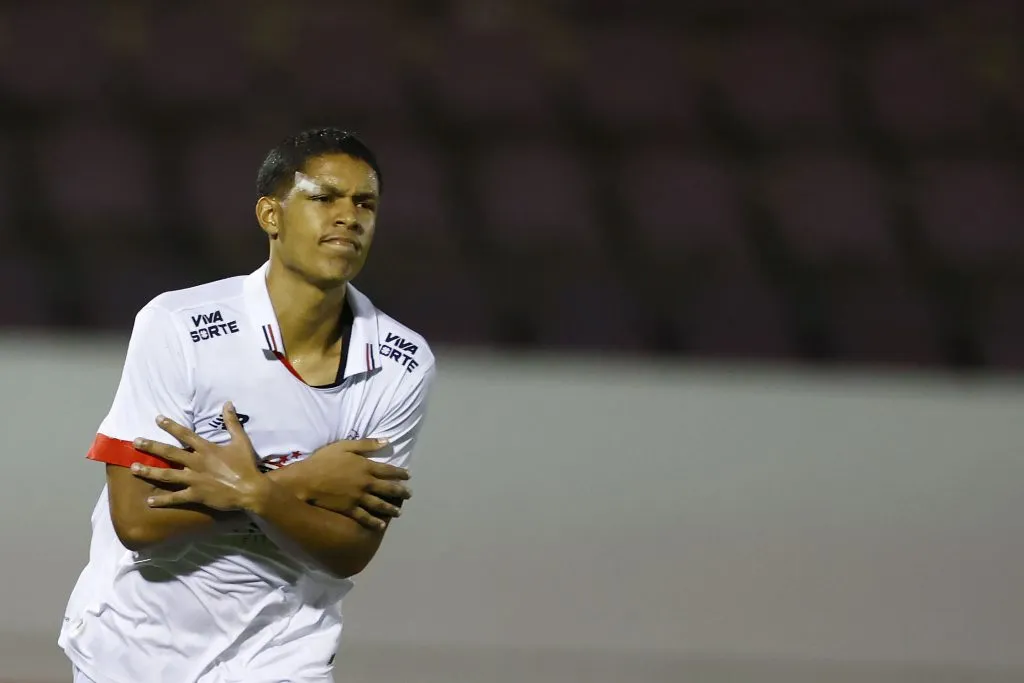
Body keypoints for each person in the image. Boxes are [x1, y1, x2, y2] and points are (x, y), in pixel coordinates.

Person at [58, 127, 437, 683]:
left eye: (365, 203)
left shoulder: (402, 362)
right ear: (270, 215)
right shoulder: (177, 325)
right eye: (323, 197)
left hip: (284, 653)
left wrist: (247, 487)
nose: (348, 217)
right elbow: (136, 519)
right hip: (131, 645)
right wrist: (294, 485)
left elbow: (351, 549)